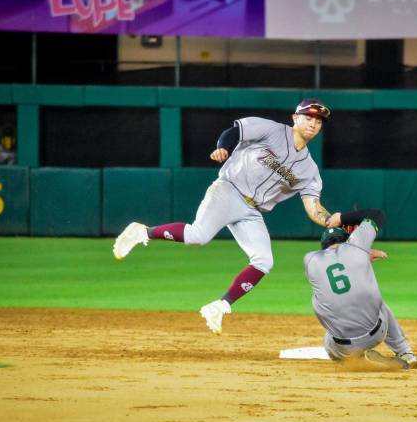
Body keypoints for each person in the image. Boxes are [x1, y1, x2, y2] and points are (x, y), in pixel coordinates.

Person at [113, 98, 342, 335]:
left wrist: (330, 220)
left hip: (253, 211)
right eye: (308, 117)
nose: (313, 124)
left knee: (264, 262)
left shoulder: (309, 170)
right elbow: (233, 133)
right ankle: (142, 232)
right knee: (197, 236)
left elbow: (312, 206)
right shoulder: (270, 130)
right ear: (295, 118)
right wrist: (223, 147)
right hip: (229, 189)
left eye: (318, 121)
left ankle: (219, 306)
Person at [303, 208, 417, 370]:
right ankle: (405, 352)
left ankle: (356, 360)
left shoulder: (310, 260)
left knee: (325, 306)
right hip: (377, 334)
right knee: (378, 303)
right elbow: (377, 214)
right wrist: (341, 218)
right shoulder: (356, 245)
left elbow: (335, 267)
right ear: (346, 239)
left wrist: (363, 255)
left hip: (341, 347)